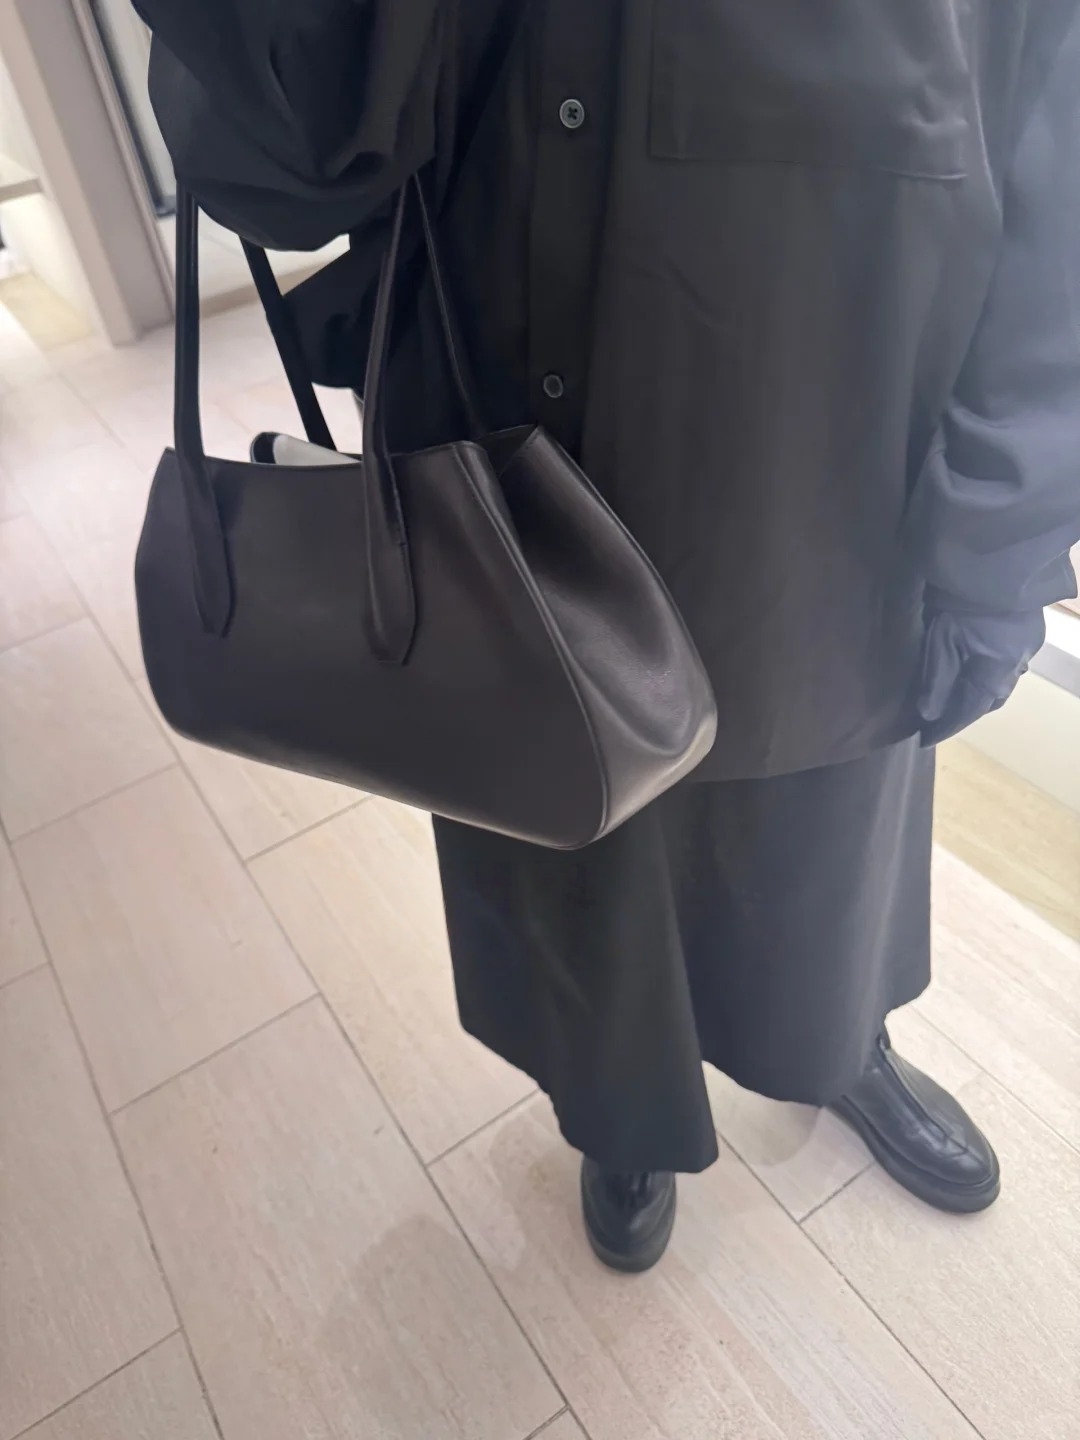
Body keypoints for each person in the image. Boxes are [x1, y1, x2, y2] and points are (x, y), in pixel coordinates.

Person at [134, 1, 1080, 1271]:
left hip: (828, 479)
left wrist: (1000, 544)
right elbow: (286, 162)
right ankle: (618, 1109)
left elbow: (1054, 182)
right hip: (499, 472)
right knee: (562, 846)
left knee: (822, 842)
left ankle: (839, 1040)